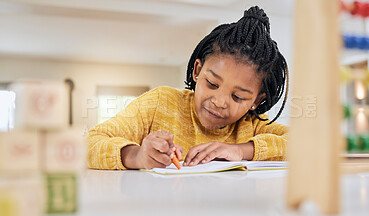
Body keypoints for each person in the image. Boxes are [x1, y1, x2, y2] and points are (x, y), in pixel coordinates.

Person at [87, 6, 289, 170]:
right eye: (212, 84)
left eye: (237, 97)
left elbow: (308, 145)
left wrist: (241, 151)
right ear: (197, 70)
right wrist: (136, 156)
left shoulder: (252, 126)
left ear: (256, 101)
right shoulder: (159, 103)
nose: (219, 101)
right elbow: (90, 142)